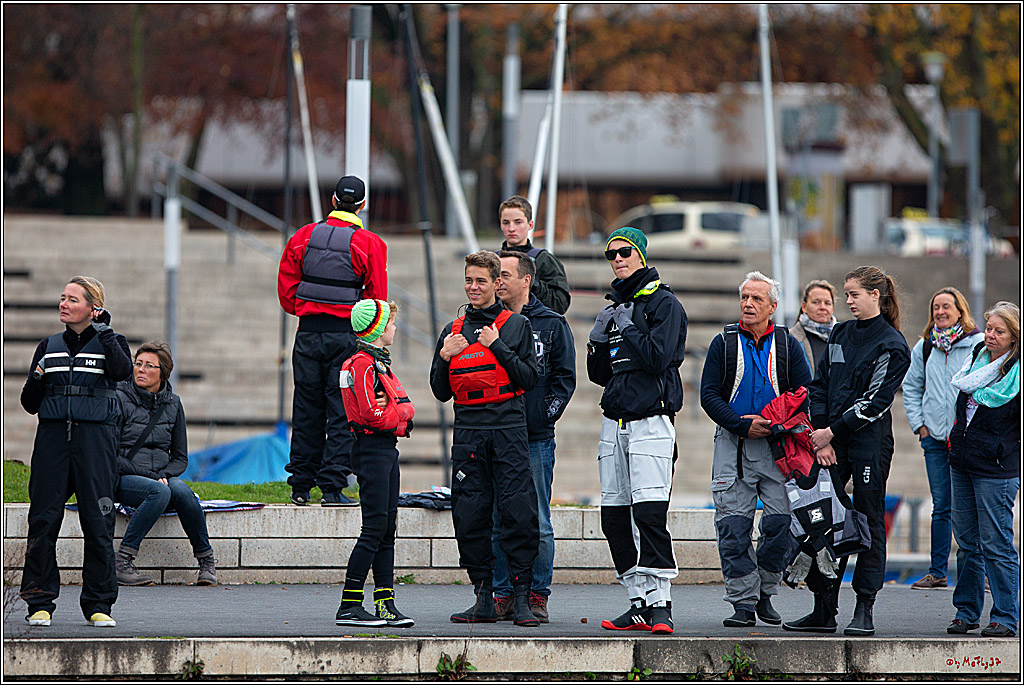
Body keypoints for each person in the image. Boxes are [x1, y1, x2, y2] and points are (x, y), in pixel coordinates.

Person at [785, 266, 911, 637]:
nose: (848, 302)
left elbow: (874, 402)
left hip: (868, 445)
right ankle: (823, 609)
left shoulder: (893, 344)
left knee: (869, 522)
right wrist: (822, 437)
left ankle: (864, 608)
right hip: (831, 443)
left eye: (854, 295)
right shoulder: (839, 332)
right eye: (847, 295)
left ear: (876, 295)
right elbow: (819, 384)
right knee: (822, 520)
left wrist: (831, 432)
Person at [430, 251, 540, 627]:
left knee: (518, 511)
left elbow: (529, 378)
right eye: (468, 280)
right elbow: (439, 391)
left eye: (480, 281)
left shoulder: (516, 326)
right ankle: (482, 596)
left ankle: (522, 597)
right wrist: (445, 357)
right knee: (470, 512)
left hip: (508, 429)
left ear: (497, 284)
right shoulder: (452, 329)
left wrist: (497, 346)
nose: (473, 288)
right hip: (469, 432)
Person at [586, 227, 687, 635]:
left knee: (649, 513)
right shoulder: (616, 306)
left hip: (651, 421)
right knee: (613, 518)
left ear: (641, 254)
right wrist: (596, 341)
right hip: (614, 421)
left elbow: (660, 358)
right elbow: (599, 376)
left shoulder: (665, 302)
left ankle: (661, 603)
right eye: (610, 255)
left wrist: (626, 327)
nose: (617, 260)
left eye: (624, 252)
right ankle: (638, 600)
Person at [699, 272, 812, 627]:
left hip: (778, 449)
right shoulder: (723, 342)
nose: (748, 304)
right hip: (733, 446)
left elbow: (805, 392)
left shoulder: (788, 344)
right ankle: (743, 604)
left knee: (780, 524)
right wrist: (740, 423)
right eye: (745, 297)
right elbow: (708, 396)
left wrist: (777, 423)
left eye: (757, 299)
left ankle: (765, 592)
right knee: (733, 527)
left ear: (773, 307)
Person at [19, 276, 132, 628]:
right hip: (52, 443)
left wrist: (106, 333)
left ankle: (99, 604)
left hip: (96, 444)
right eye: (62, 298)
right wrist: (38, 377)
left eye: (72, 299)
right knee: (42, 521)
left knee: (98, 524)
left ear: (93, 308)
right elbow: (28, 403)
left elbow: (123, 372)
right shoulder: (48, 346)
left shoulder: (112, 342)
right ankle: (39, 601)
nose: (63, 304)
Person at [278, 175, 387, 507]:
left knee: (306, 409)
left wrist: (307, 310)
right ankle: (332, 488)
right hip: (345, 339)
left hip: (308, 334)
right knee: (341, 412)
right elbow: (376, 301)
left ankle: (299, 485)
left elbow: (286, 289)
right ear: (363, 205)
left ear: (333, 201)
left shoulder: (303, 236)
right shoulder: (370, 244)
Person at [491, 250, 576, 623]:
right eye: (496, 275)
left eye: (505, 274)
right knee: (497, 518)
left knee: (539, 520)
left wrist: (544, 416)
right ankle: (502, 594)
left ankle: (538, 595)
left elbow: (565, 378)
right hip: (495, 434)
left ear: (526, 280)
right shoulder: (485, 322)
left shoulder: (552, 323)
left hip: (536, 438)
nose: (498, 281)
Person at [335, 300, 416, 628]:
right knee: (374, 528)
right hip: (371, 450)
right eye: (392, 323)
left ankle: (385, 602)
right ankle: (349, 603)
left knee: (387, 528)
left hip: (387, 449)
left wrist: (397, 412)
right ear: (379, 329)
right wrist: (398, 413)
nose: (395, 328)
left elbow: (405, 409)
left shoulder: (379, 363)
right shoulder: (362, 364)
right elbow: (371, 414)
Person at [113, 342, 217, 588]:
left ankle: (206, 562)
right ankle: (123, 561)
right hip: (123, 477)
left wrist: (162, 474)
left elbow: (180, 457)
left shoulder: (173, 404)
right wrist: (152, 476)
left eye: (149, 366)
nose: (141, 370)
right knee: (159, 490)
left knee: (181, 490)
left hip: (160, 477)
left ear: (163, 373)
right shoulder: (118, 397)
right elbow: (110, 455)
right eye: (138, 364)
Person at [901, 287, 983, 590]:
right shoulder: (924, 347)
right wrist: (919, 425)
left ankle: (981, 573)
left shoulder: (978, 343)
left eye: (947, 306)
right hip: (934, 439)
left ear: (960, 310)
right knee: (941, 505)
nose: (940, 312)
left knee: (974, 506)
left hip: (968, 440)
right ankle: (937, 571)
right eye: (936, 307)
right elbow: (911, 387)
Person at [946, 301, 1020, 638]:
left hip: (997, 468)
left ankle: (1005, 616)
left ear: (1014, 337)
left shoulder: (1017, 371)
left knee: (996, 543)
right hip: (962, 461)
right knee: (966, 542)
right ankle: (966, 611)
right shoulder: (976, 356)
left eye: (999, 331)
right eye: (989, 327)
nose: (990, 334)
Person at [496, 196, 571, 314]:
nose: (511, 228)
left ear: (530, 225)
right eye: (506, 222)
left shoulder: (543, 259)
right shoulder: (492, 260)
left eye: (518, 222)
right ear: (500, 225)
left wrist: (530, 283)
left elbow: (560, 304)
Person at [789, 279, 838, 376]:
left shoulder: (842, 337)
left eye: (827, 303)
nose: (822, 307)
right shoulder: (790, 339)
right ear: (804, 307)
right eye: (816, 302)